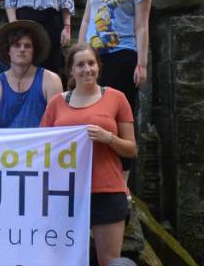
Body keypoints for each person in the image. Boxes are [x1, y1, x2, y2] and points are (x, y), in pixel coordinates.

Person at [41, 45, 138, 266]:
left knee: (110, 261)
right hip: (65, 193)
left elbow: (131, 149)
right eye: (80, 65)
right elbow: (43, 146)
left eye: (91, 63)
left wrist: (109, 138)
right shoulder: (56, 103)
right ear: (71, 70)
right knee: (61, 260)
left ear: (98, 67)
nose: (87, 69)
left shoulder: (117, 98)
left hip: (107, 190)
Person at [86, 0, 152, 136]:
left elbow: (142, 26)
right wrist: (79, 52)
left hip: (122, 53)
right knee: (92, 111)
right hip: (93, 56)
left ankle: (124, 156)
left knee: (120, 113)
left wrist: (142, 64)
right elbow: (87, 18)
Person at [0, 21, 63, 129]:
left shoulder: (51, 80)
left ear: (34, 51)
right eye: (17, 45)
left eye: (27, 46)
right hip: (4, 140)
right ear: (8, 50)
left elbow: (56, 126)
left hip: (40, 140)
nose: (22, 49)